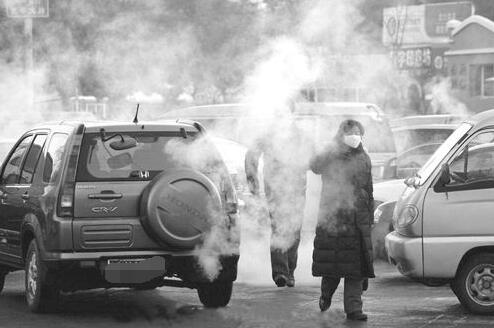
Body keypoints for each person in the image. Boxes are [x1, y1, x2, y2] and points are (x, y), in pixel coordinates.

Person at [309, 119, 375, 321]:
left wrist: (369, 215)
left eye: (358, 132)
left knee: (356, 268)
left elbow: (368, 188)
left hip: (358, 220)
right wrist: (329, 149)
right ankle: (326, 295)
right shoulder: (331, 154)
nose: (355, 135)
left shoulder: (364, 157)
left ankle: (354, 309)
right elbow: (314, 166)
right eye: (351, 132)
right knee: (335, 265)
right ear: (342, 135)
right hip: (335, 219)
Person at [245, 117, 309, 288]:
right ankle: (281, 272)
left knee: (294, 229)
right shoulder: (268, 133)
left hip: (297, 188)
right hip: (275, 188)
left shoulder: (300, 134)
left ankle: (290, 271)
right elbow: (251, 155)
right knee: (279, 228)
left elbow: (313, 157)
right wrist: (253, 184)